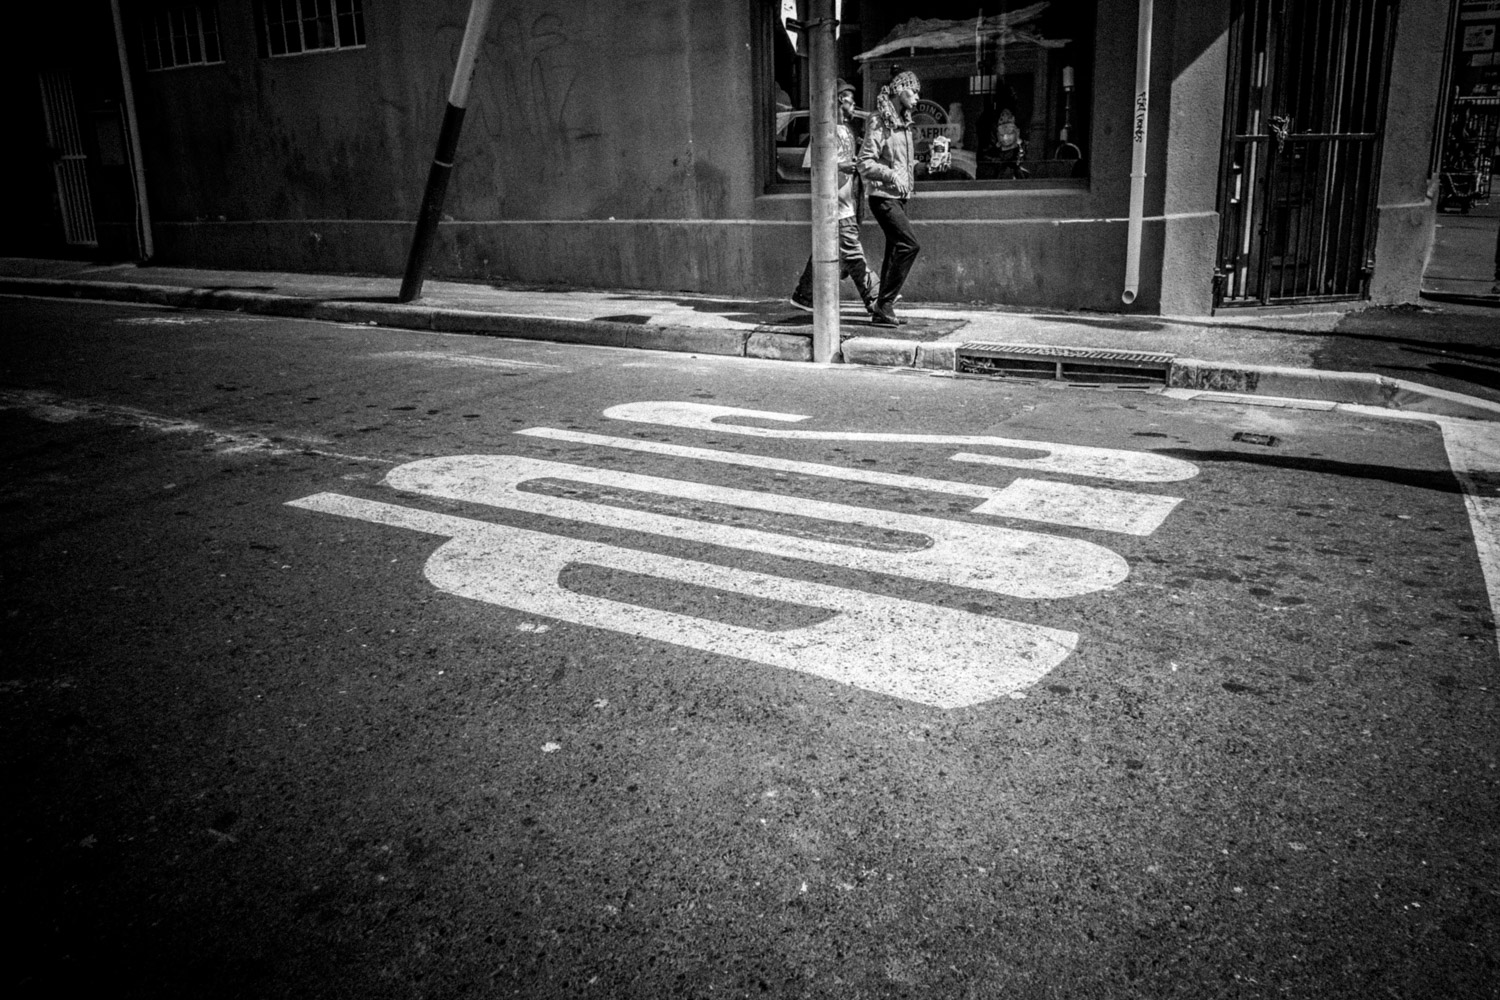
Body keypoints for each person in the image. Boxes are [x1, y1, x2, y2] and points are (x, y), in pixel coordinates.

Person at [789, 79, 878, 316]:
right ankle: (876, 297)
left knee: (828, 250)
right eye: (851, 99)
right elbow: (812, 165)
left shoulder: (847, 131)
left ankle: (804, 295)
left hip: (848, 202)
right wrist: (841, 165)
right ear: (840, 100)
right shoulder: (824, 130)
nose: (855, 103)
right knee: (852, 251)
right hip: (835, 205)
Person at [858, 70, 922, 327]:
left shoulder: (904, 122)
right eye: (913, 91)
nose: (916, 97)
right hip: (882, 196)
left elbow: (902, 163)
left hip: (899, 197)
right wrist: (892, 176)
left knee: (895, 249)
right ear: (900, 90)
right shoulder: (879, 120)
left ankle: (882, 310)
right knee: (909, 245)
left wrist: (926, 167)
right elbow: (865, 162)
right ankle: (884, 303)